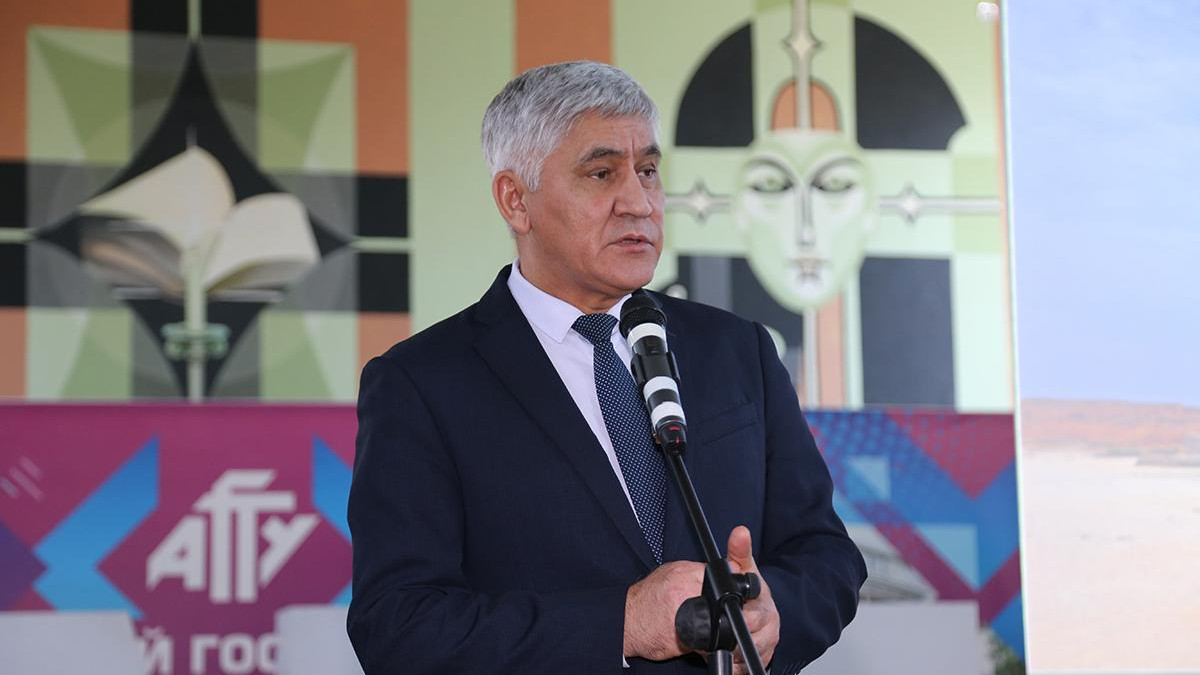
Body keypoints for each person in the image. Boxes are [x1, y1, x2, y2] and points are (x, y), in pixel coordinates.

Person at [348, 60, 866, 675]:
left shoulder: (737, 350)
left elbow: (825, 554)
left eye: (648, 171)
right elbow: (399, 626)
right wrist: (622, 623)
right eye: (601, 174)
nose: (639, 203)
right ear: (516, 201)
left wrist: (773, 613)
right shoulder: (422, 383)